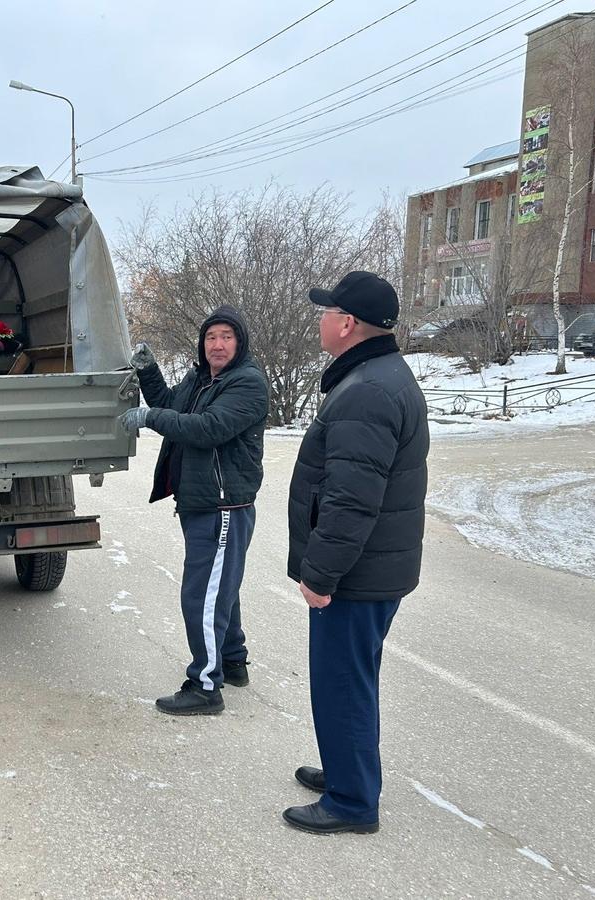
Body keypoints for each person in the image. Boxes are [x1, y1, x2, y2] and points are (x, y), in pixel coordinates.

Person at [282, 271, 429, 835]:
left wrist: (321, 575)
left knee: (342, 682)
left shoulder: (366, 390)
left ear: (347, 324)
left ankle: (351, 801)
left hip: (357, 574)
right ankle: (347, 769)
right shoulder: (378, 376)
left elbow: (351, 499)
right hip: (373, 567)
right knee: (351, 678)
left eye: (326, 312)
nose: (320, 320)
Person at [119, 305, 269, 715]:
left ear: (240, 342)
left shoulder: (247, 383)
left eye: (226, 337)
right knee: (221, 588)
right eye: (211, 337)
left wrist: (149, 417)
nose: (217, 345)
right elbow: (172, 404)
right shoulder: (202, 378)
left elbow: (207, 429)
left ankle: (205, 686)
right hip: (202, 501)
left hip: (223, 505)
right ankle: (232, 661)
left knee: (202, 595)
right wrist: (149, 372)